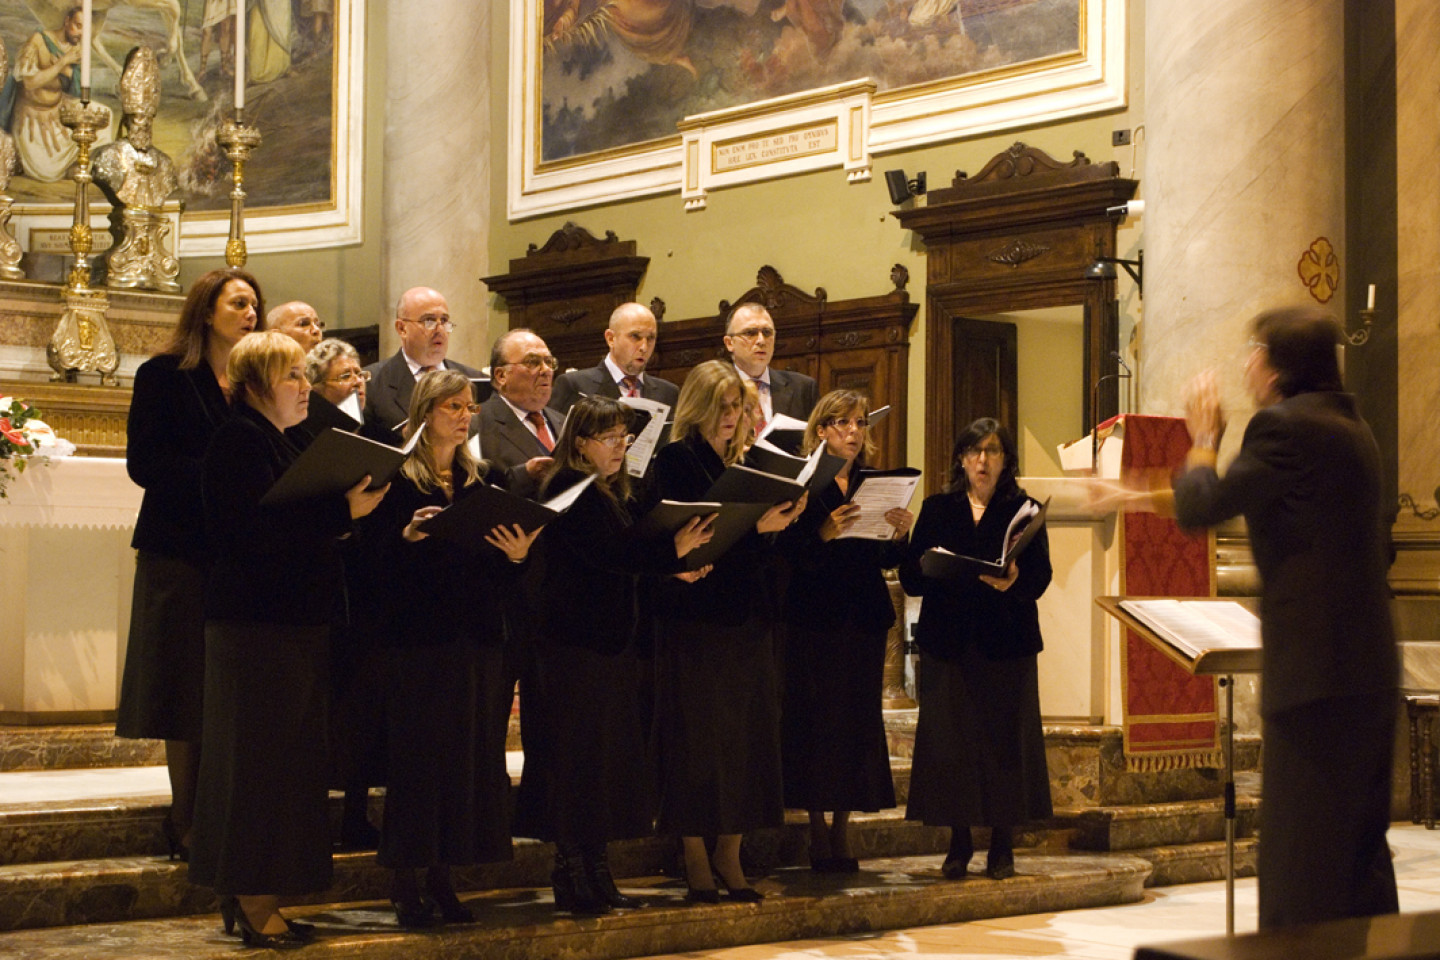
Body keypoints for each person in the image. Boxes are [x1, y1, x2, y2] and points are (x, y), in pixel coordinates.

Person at [1169, 307, 1398, 930]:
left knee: (1304, 861)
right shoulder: (1352, 425)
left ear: (1276, 366)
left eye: (1255, 350)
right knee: (1359, 855)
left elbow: (1201, 505)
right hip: (1369, 670)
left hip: (1315, 676)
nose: (1247, 363)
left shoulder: (1282, 428)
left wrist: (1203, 440)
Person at [189, 331, 388, 947]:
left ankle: (256, 893)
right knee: (258, 765)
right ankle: (250, 899)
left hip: (291, 622)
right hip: (255, 627)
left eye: (306, 375)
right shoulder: (237, 440)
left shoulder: (285, 438)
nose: (306, 387)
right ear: (254, 386)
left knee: (286, 764)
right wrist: (340, 515)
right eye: (293, 377)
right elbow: (246, 531)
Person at [514, 396, 713, 914]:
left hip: (604, 645)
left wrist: (674, 567)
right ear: (581, 443)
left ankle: (595, 873)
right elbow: (605, 554)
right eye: (611, 439)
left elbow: (625, 559)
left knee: (598, 764)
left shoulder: (608, 490)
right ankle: (571, 873)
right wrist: (671, 554)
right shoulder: (565, 487)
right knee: (573, 762)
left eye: (625, 439)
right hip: (570, 647)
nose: (622, 448)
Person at [357, 370, 537, 928]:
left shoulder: (482, 481)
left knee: (464, 764)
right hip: (418, 643)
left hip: (475, 641)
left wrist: (514, 556)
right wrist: (406, 539)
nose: (464, 416)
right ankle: (406, 879)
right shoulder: (395, 480)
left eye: (468, 407)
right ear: (424, 412)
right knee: (419, 765)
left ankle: (444, 877)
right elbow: (367, 565)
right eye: (452, 406)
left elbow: (499, 575)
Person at [116, 268, 264, 864]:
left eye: (255, 304)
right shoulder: (164, 376)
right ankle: (185, 818)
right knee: (185, 691)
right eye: (238, 304)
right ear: (207, 312)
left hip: (240, 556)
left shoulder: (257, 381)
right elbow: (145, 463)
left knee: (228, 692)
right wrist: (220, 483)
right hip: (180, 553)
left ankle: (223, 815)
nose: (251, 313)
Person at [650, 360, 806, 903]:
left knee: (746, 740)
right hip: (695, 618)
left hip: (747, 617)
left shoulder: (747, 462)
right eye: (722, 407)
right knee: (698, 741)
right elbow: (683, 541)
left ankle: (730, 853)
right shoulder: (674, 461)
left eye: (738, 407)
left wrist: (775, 528)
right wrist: (753, 530)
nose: (731, 417)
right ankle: (694, 851)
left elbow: (755, 554)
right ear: (698, 407)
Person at [899, 418, 1052, 882]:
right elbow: (911, 578)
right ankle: (958, 842)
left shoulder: (1022, 509)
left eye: (992, 451)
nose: (982, 461)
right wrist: (920, 556)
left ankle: (1002, 845)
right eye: (974, 451)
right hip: (950, 642)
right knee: (953, 747)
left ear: (1006, 460)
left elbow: (1041, 575)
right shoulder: (939, 508)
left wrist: (1016, 579)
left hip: (1006, 643)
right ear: (961, 459)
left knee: (1004, 744)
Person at [779, 390, 912, 872]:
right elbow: (785, 554)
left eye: (859, 423)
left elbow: (884, 559)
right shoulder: (802, 482)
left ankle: (842, 829)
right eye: (841, 422)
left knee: (856, 723)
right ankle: (816, 828)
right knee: (816, 723)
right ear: (820, 430)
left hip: (861, 616)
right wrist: (822, 534)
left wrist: (899, 534)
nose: (853, 431)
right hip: (813, 618)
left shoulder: (872, 482)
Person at [4, 5, 112, 183]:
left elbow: (79, 89)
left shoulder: (76, 50)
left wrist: (68, 71)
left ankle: (80, 165)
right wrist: (62, 63)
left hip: (59, 111)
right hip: (33, 119)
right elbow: (29, 82)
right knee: (47, 173)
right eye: (77, 25)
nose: (80, 34)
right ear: (67, 21)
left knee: (105, 115)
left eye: (85, 30)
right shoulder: (38, 41)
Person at [364, 287, 482, 437]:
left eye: (444, 321)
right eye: (429, 321)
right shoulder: (372, 383)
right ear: (402, 328)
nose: (440, 329)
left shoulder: (474, 380)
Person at [473, 327, 563, 494]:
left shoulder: (564, 422)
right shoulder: (477, 423)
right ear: (501, 376)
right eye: (532, 362)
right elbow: (474, 493)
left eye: (549, 362)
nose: (546, 370)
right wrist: (525, 475)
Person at [550, 302, 680, 412]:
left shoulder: (668, 393)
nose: (644, 347)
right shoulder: (576, 386)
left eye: (651, 338)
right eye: (635, 336)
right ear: (611, 339)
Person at [723, 303, 818, 428]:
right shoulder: (715, 390)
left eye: (767, 333)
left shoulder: (803, 388)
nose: (761, 341)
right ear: (729, 343)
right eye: (750, 333)